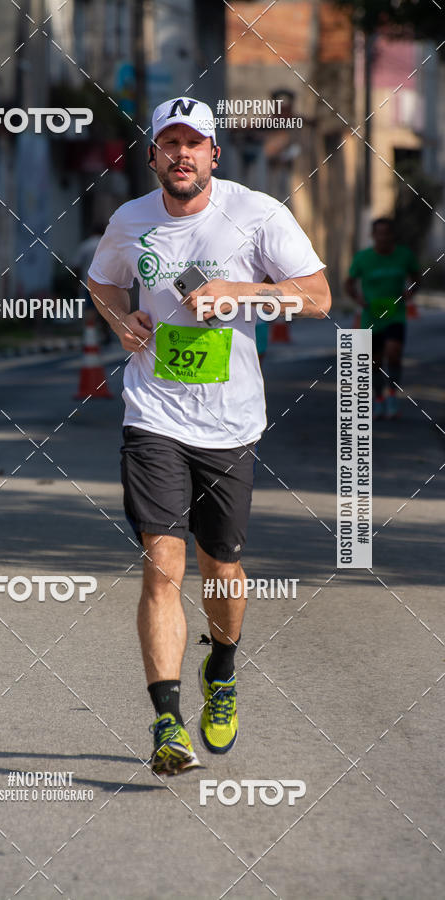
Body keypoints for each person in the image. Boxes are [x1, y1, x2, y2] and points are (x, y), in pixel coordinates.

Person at [87, 97, 331, 775]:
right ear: (154, 155)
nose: (182, 154)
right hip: (153, 414)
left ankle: (221, 667)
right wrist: (119, 323)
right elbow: (102, 283)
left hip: (229, 423)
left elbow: (317, 295)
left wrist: (239, 291)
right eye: (170, 143)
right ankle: (167, 722)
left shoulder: (257, 214)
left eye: (195, 144)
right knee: (162, 564)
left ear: (214, 156)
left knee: (220, 562)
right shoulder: (130, 220)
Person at [345, 218, 420, 420]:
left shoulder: (404, 255)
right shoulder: (363, 258)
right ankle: (378, 398)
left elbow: (417, 277)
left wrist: (410, 293)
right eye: (379, 233)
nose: (383, 237)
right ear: (373, 235)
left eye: (387, 233)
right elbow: (349, 283)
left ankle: (393, 396)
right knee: (374, 362)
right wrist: (357, 299)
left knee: (393, 352)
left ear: (392, 235)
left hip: (395, 314)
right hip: (371, 315)